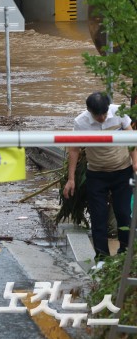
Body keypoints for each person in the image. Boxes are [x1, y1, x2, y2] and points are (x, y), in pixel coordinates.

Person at [63, 91, 137, 259]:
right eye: (98, 116)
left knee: (124, 214)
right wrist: (71, 179)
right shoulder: (81, 123)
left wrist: (135, 163)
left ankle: (125, 253)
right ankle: (102, 257)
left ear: (108, 109)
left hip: (122, 172)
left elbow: (132, 138)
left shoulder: (119, 112)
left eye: (104, 114)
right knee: (98, 218)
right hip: (96, 174)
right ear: (90, 112)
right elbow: (74, 150)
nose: (102, 119)